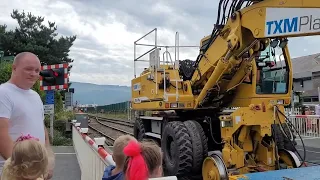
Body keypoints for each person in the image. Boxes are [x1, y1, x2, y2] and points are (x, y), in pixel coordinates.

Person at [0, 52, 54, 179]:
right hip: (13, 172)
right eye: (28, 69)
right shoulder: (3, 93)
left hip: (34, 172)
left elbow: (42, 129)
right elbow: (1, 135)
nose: (34, 74)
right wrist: (20, 170)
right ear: (14, 68)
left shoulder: (35, 96)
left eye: (37, 70)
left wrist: (48, 161)